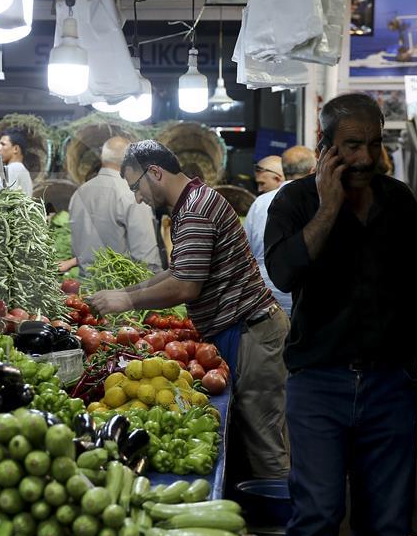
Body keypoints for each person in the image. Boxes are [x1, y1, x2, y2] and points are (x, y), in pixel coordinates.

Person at [264, 93, 417, 536]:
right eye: (352, 145)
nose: (364, 158)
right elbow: (284, 272)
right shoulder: (294, 202)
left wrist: (411, 373)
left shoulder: (399, 201)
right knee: (317, 512)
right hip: (318, 382)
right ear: (325, 145)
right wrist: (329, 208)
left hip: (388, 386)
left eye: (373, 145)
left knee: (385, 522)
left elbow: (415, 290)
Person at [88, 140, 290, 479]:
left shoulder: (194, 210)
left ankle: (289, 528)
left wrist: (128, 301)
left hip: (252, 334)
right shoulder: (191, 202)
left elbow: (185, 286)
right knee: (257, 439)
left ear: (155, 173)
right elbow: (177, 271)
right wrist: (127, 290)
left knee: (266, 445)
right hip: (246, 332)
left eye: (136, 187)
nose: (138, 197)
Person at [59, 137, 162, 275]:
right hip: (123, 292)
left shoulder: (79, 193)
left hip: (84, 289)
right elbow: (146, 258)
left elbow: (78, 249)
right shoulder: (133, 195)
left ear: (102, 159)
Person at [243, 146, 316, 317]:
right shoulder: (319, 201)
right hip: (306, 301)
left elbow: (246, 252)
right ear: (313, 170)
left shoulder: (260, 203)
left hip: (267, 300)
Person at [0, 128, 33, 196]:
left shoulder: (11, 169)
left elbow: (5, 203)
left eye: (3, 144)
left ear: (15, 149)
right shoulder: (24, 171)